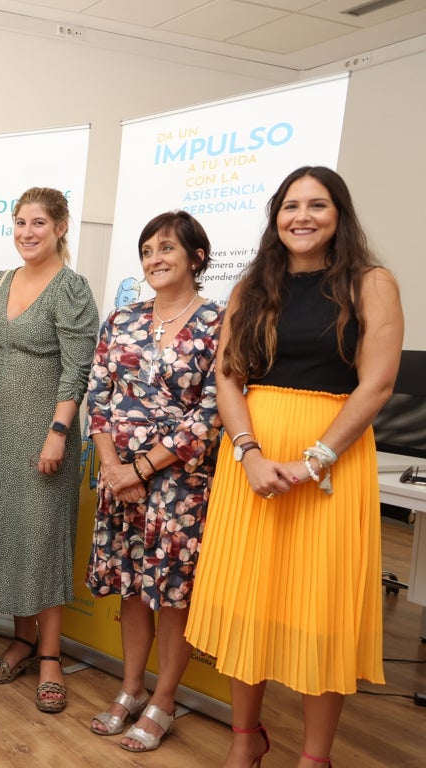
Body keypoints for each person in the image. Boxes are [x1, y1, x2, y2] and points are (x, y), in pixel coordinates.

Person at [184, 167, 402, 768]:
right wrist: (248, 453)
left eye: (318, 205)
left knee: (320, 609)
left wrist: (317, 458)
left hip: (332, 464)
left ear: (340, 215)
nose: (301, 217)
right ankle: (244, 739)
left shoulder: (371, 282)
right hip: (251, 463)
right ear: (275, 216)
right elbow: (228, 376)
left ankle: (314, 756)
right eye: (290, 206)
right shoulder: (251, 286)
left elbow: (377, 382)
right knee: (246, 601)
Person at [85, 211, 224, 751]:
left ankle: (164, 700)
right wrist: (115, 471)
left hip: (181, 483)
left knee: (170, 594)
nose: (154, 259)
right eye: (147, 250)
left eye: (167, 248)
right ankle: (130, 688)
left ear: (197, 257)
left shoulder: (218, 320)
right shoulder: (121, 319)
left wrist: (141, 470)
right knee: (131, 589)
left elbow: (210, 412)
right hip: (118, 477)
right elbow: (98, 398)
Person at [0, 186, 100, 713]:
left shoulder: (71, 288)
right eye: (20, 222)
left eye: (38, 223)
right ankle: (20, 639)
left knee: (42, 538)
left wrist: (58, 432)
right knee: (8, 531)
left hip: (46, 430)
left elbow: (77, 368)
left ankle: (50, 657)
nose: (27, 233)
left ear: (61, 227)